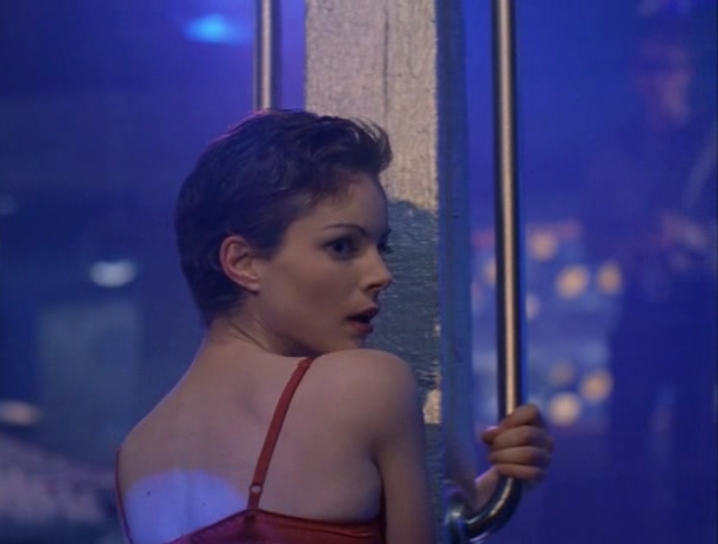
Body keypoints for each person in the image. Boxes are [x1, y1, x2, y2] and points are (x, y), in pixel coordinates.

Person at [115, 110, 554, 544]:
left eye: (381, 247)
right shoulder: (368, 385)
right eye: (342, 246)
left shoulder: (134, 455)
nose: (381, 275)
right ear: (243, 263)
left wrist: (485, 497)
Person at [583, 16, 716, 543]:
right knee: (628, 440)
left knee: (695, 439)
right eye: (648, 67)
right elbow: (594, 235)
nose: (657, 78)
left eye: (667, 67)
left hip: (698, 310)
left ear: (687, 73)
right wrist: (635, 243)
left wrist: (689, 234)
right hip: (640, 308)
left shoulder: (708, 145)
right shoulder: (616, 149)